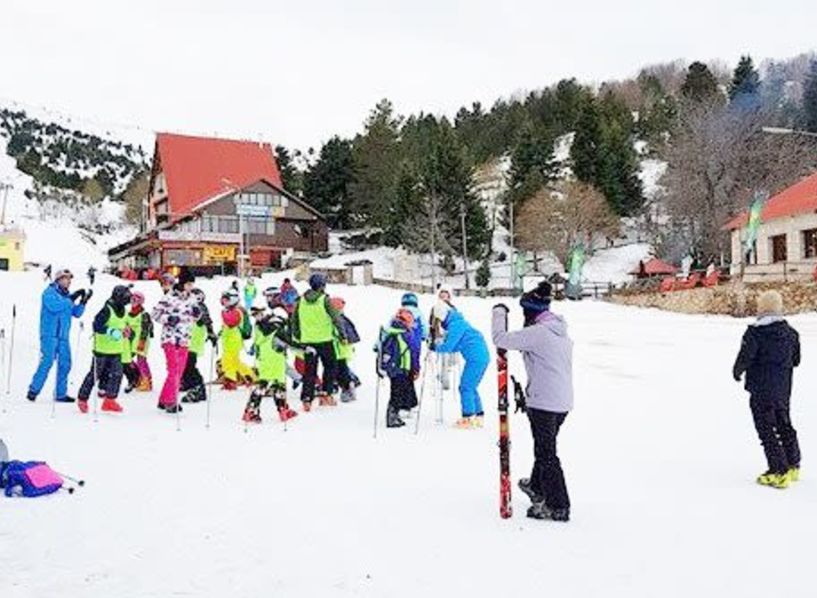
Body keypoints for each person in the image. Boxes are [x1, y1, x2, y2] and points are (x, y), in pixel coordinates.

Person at [492, 281, 573, 522]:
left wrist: (498, 312)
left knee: (547, 454)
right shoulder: (557, 329)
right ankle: (537, 487)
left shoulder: (538, 333)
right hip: (561, 401)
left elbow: (500, 338)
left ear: (531, 311)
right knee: (544, 447)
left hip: (545, 402)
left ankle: (558, 506)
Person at [733, 290, 801, 489]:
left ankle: (778, 471)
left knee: (766, 429)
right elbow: (796, 360)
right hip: (783, 389)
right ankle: (793, 464)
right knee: (784, 424)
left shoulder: (755, 333)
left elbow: (745, 358)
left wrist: (737, 371)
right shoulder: (791, 333)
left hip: (761, 389)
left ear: (761, 309)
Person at [27, 269, 91, 403]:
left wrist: (83, 302)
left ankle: (60, 394)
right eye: (66, 278)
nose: (68, 281)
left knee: (65, 364)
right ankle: (33, 390)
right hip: (49, 334)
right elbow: (54, 307)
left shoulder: (66, 296)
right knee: (47, 361)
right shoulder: (49, 293)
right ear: (58, 280)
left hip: (63, 336)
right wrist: (71, 298)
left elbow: (76, 313)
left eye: (69, 279)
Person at [431, 301, 489, 429]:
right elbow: (455, 346)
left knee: (465, 387)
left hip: (475, 359)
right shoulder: (459, 323)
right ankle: (479, 416)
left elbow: (448, 346)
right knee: (471, 386)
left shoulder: (456, 325)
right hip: (480, 357)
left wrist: (435, 346)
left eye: (440, 320)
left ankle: (468, 418)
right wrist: (439, 347)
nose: (441, 324)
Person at [292, 273, 345, 410]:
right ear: (322, 286)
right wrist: (343, 335)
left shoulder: (301, 300)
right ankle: (325, 394)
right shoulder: (324, 300)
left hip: (308, 341)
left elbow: (294, 320)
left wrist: (298, 336)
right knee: (330, 367)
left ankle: (307, 399)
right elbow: (336, 318)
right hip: (325, 340)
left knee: (309, 370)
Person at [78, 284, 133, 414]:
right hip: (102, 350)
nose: (128, 301)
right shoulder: (107, 309)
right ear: (118, 297)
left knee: (117, 375)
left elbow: (123, 323)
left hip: (116, 350)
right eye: (126, 297)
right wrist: (111, 331)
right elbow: (96, 325)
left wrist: (126, 330)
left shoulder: (123, 310)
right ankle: (82, 399)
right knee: (94, 375)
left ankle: (110, 401)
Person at [242, 307, 302, 424]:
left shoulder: (260, 326)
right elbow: (290, 343)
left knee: (262, 384)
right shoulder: (278, 330)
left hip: (264, 359)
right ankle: (283, 410)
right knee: (278, 385)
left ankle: (250, 411)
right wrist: (305, 348)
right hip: (277, 360)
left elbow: (258, 341)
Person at [152, 269, 200, 413]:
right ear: (183, 283)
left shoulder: (192, 298)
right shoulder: (169, 297)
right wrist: (168, 319)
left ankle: (163, 399)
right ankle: (170, 401)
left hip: (185, 338)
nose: (191, 287)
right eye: (189, 284)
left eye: (192, 284)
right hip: (170, 338)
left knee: (179, 370)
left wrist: (197, 314)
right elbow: (155, 314)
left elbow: (194, 317)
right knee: (173, 369)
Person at [378, 308, 421, 428]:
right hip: (402, 367)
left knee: (395, 391)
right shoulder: (406, 334)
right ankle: (392, 416)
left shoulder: (390, 331)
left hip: (393, 367)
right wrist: (416, 368)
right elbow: (413, 353)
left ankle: (394, 414)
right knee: (398, 392)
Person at [181, 288, 218, 403]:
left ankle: (198, 389)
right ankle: (188, 383)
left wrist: (211, 333)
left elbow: (207, 320)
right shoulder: (188, 306)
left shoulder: (200, 307)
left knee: (189, 366)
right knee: (184, 365)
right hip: (186, 340)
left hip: (194, 342)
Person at [219, 288, 255, 391]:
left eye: (226, 299)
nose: (223, 302)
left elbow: (231, 322)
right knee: (234, 361)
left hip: (234, 340)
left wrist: (224, 313)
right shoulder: (231, 310)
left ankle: (231, 380)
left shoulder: (237, 311)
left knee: (227, 360)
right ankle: (249, 376)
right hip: (229, 340)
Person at [330, 297, 361, 403]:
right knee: (339, 369)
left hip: (340, 350)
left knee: (341, 370)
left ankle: (348, 389)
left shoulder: (338, 320)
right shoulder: (341, 318)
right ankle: (346, 385)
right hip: (341, 349)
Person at [126, 291, 154, 392]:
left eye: (136, 300)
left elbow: (146, 329)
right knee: (128, 360)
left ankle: (147, 381)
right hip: (131, 341)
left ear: (140, 302)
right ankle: (139, 377)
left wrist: (142, 341)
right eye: (132, 299)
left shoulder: (144, 314)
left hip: (142, 340)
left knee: (141, 360)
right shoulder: (129, 313)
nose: (133, 302)